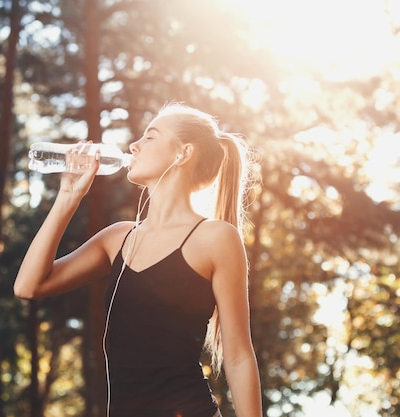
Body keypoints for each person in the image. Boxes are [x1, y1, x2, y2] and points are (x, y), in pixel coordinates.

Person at [14, 102, 262, 417]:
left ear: (182, 153)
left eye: (150, 137)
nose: (134, 145)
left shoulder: (215, 238)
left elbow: (239, 356)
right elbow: (28, 286)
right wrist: (68, 196)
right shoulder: (118, 239)